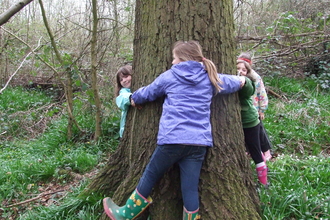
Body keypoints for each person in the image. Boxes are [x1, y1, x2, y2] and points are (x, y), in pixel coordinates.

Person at [103, 40, 248, 220]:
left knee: (150, 174)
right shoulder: (209, 76)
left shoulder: (170, 76)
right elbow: (233, 82)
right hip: (198, 142)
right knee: (190, 188)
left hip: (173, 139)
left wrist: (134, 98)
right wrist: (242, 80)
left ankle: (126, 214)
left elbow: (149, 91)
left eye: (174, 58)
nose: (172, 62)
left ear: (182, 59)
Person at [237, 59, 268, 186]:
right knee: (249, 148)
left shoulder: (247, 82)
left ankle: (264, 183)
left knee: (255, 150)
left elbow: (248, 89)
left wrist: (243, 81)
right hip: (241, 122)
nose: (240, 72)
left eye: (243, 70)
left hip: (250, 122)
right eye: (237, 68)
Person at [238, 52, 272, 161]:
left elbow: (261, 93)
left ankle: (266, 152)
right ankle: (250, 151)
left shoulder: (254, 76)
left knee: (260, 132)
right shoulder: (239, 75)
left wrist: (262, 110)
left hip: (254, 109)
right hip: (246, 109)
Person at [115, 65, 132, 138]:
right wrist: (131, 98)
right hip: (126, 131)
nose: (124, 80)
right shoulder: (123, 92)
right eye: (121, 80)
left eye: (126, 76)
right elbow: (122, 99)